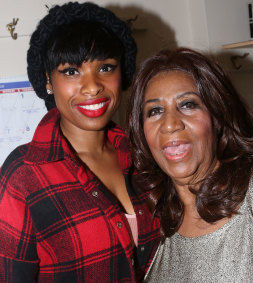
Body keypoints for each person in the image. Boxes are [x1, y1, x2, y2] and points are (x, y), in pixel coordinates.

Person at [0, 2, 160, 282]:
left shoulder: (145, 155)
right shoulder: (23, 175)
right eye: (71, 71)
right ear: (48, 81)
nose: (93, 85)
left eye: (106, 67)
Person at [127, 47, 253, 283]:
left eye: (187, 104)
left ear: (217, 116)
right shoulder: (152, 228)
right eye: (155, 111)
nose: (170, 124)